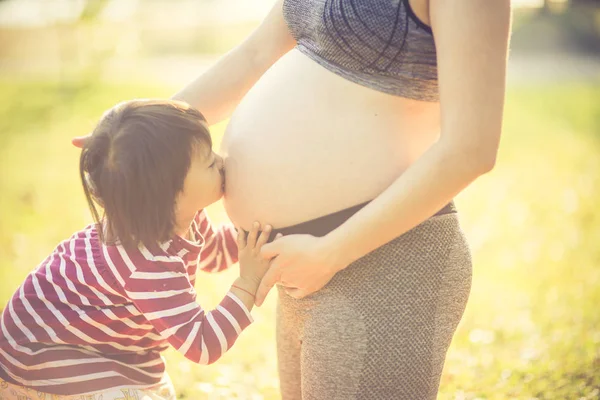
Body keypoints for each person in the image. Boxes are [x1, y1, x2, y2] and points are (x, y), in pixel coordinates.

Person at [79, 0, 511, 398]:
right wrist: (133, 147)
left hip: (381, 257)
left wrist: (331, 253)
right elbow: (253, 57)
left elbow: (470, 148)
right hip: (303, 265)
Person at [0, 99, 278, 399]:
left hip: (102, 350)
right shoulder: (144, 263)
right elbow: (202, 342)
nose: (222, 162)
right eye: (210, 162)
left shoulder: (178, 216)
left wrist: (259, 231)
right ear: (168, 195)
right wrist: (247, 284)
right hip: (47, 361)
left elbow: (213, 252)